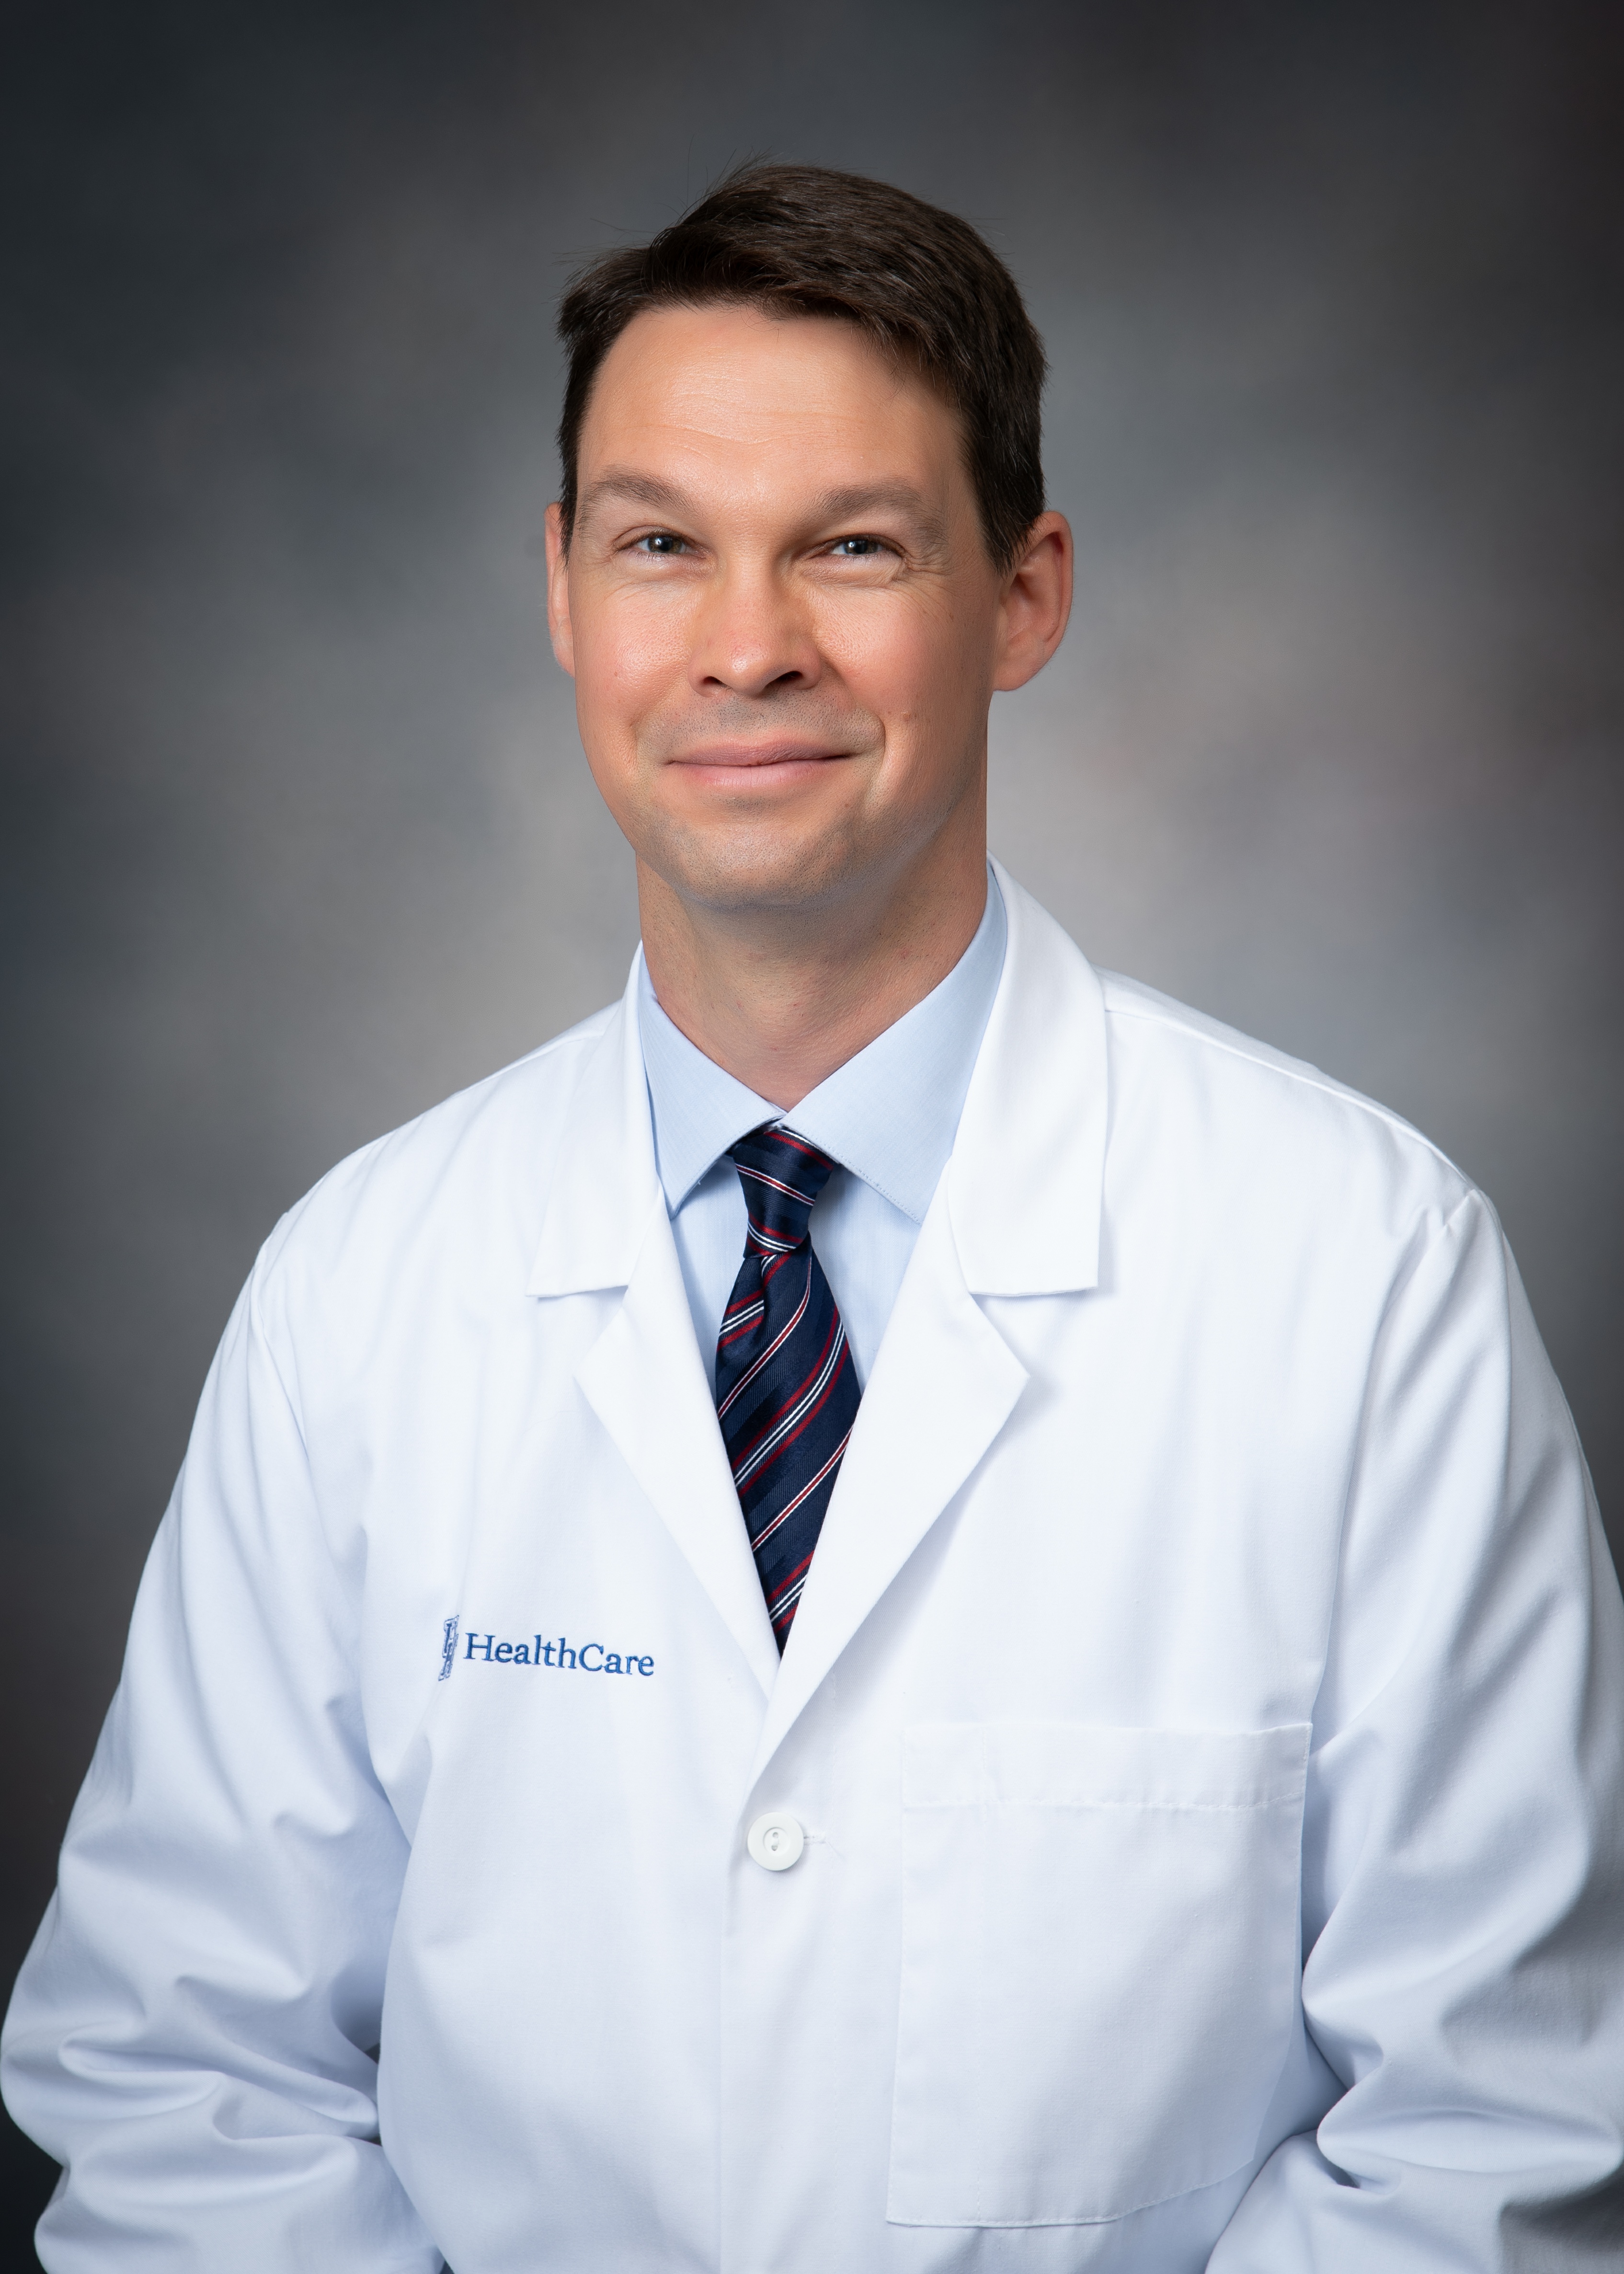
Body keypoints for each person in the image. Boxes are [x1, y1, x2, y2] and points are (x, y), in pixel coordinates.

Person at [5, 162, 1622, 2273]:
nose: (746, 644)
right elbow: (183, 2086)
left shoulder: (1363, 1274)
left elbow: (1486, 2126)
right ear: (564, 592)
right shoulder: (356, 1292)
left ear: (1023, 595)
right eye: (660, 544)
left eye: (852, 547)